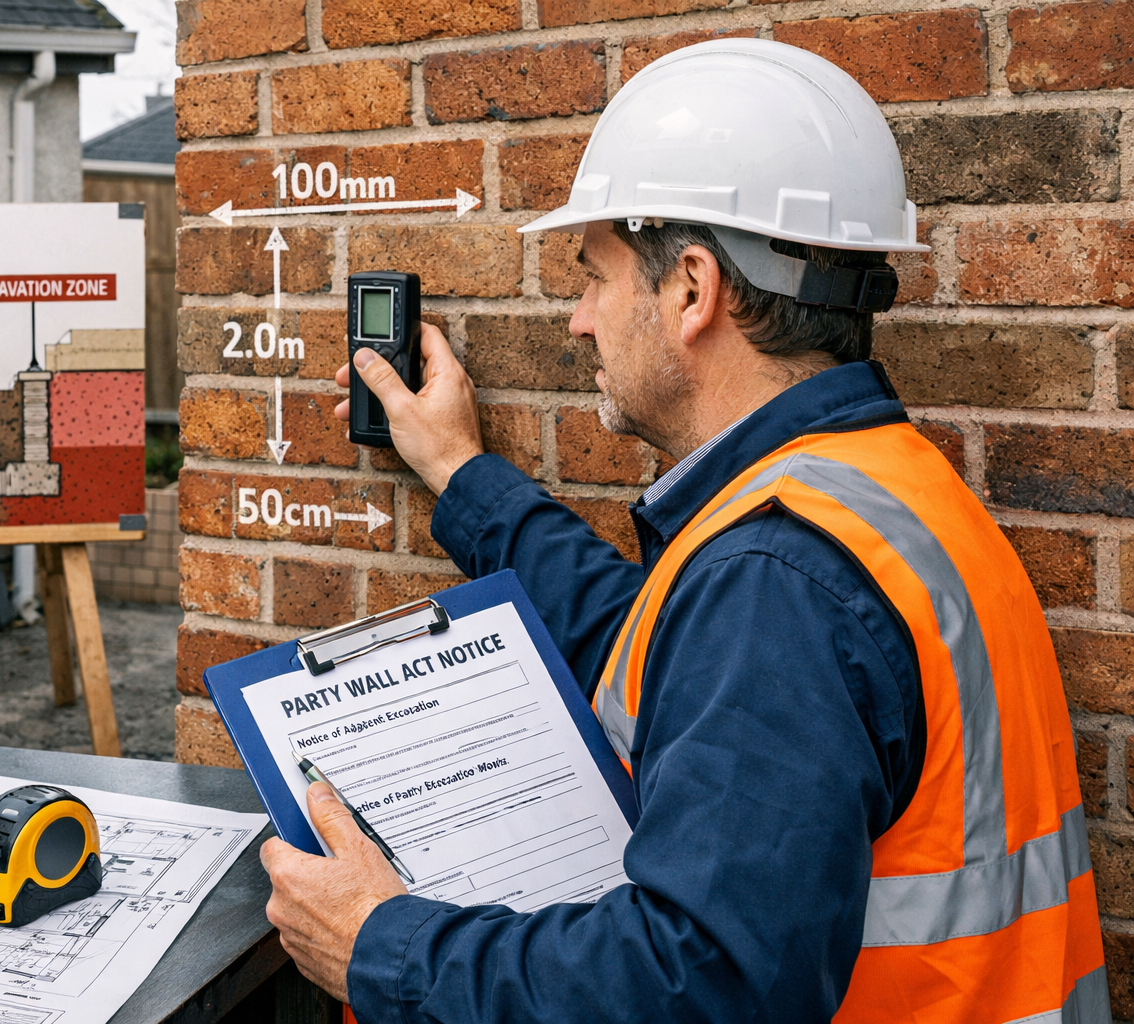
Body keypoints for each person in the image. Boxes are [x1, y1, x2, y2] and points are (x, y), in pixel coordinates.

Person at [257, 38, 1109, 1024]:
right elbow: (651, 643)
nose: (579, 320)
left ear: (693, 289)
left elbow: (695, 981)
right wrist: (459, 471)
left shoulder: (777, 575)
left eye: (597, 276)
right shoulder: (879, 489)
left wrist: (383, 945)